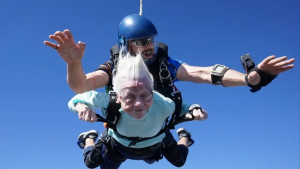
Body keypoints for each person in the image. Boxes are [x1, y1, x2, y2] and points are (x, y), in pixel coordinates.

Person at [44, 14, 295, 97]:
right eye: (139, 43)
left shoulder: (165, 64)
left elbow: (205, 73)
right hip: (122, 129)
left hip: (157, 130)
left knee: (174, 157)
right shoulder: (114, 66)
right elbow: (82, 86)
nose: (148, 48)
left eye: (150, 42)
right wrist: (74, 64)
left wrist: (250, 79)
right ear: (124, 45)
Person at [68, 52, 208, 169]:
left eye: (144, 95)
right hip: (118, 145)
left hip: (155, 143)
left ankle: (184, 137)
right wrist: (82, 107)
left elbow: (181, 105)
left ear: (152, 94)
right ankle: (89, 138)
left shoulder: (164, 104)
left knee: (179, 161)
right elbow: (74, 100)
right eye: (129, 96)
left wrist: (194, 108)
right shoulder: (108, 101)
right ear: (118, 97)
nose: (139, 103)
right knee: (90, 163)